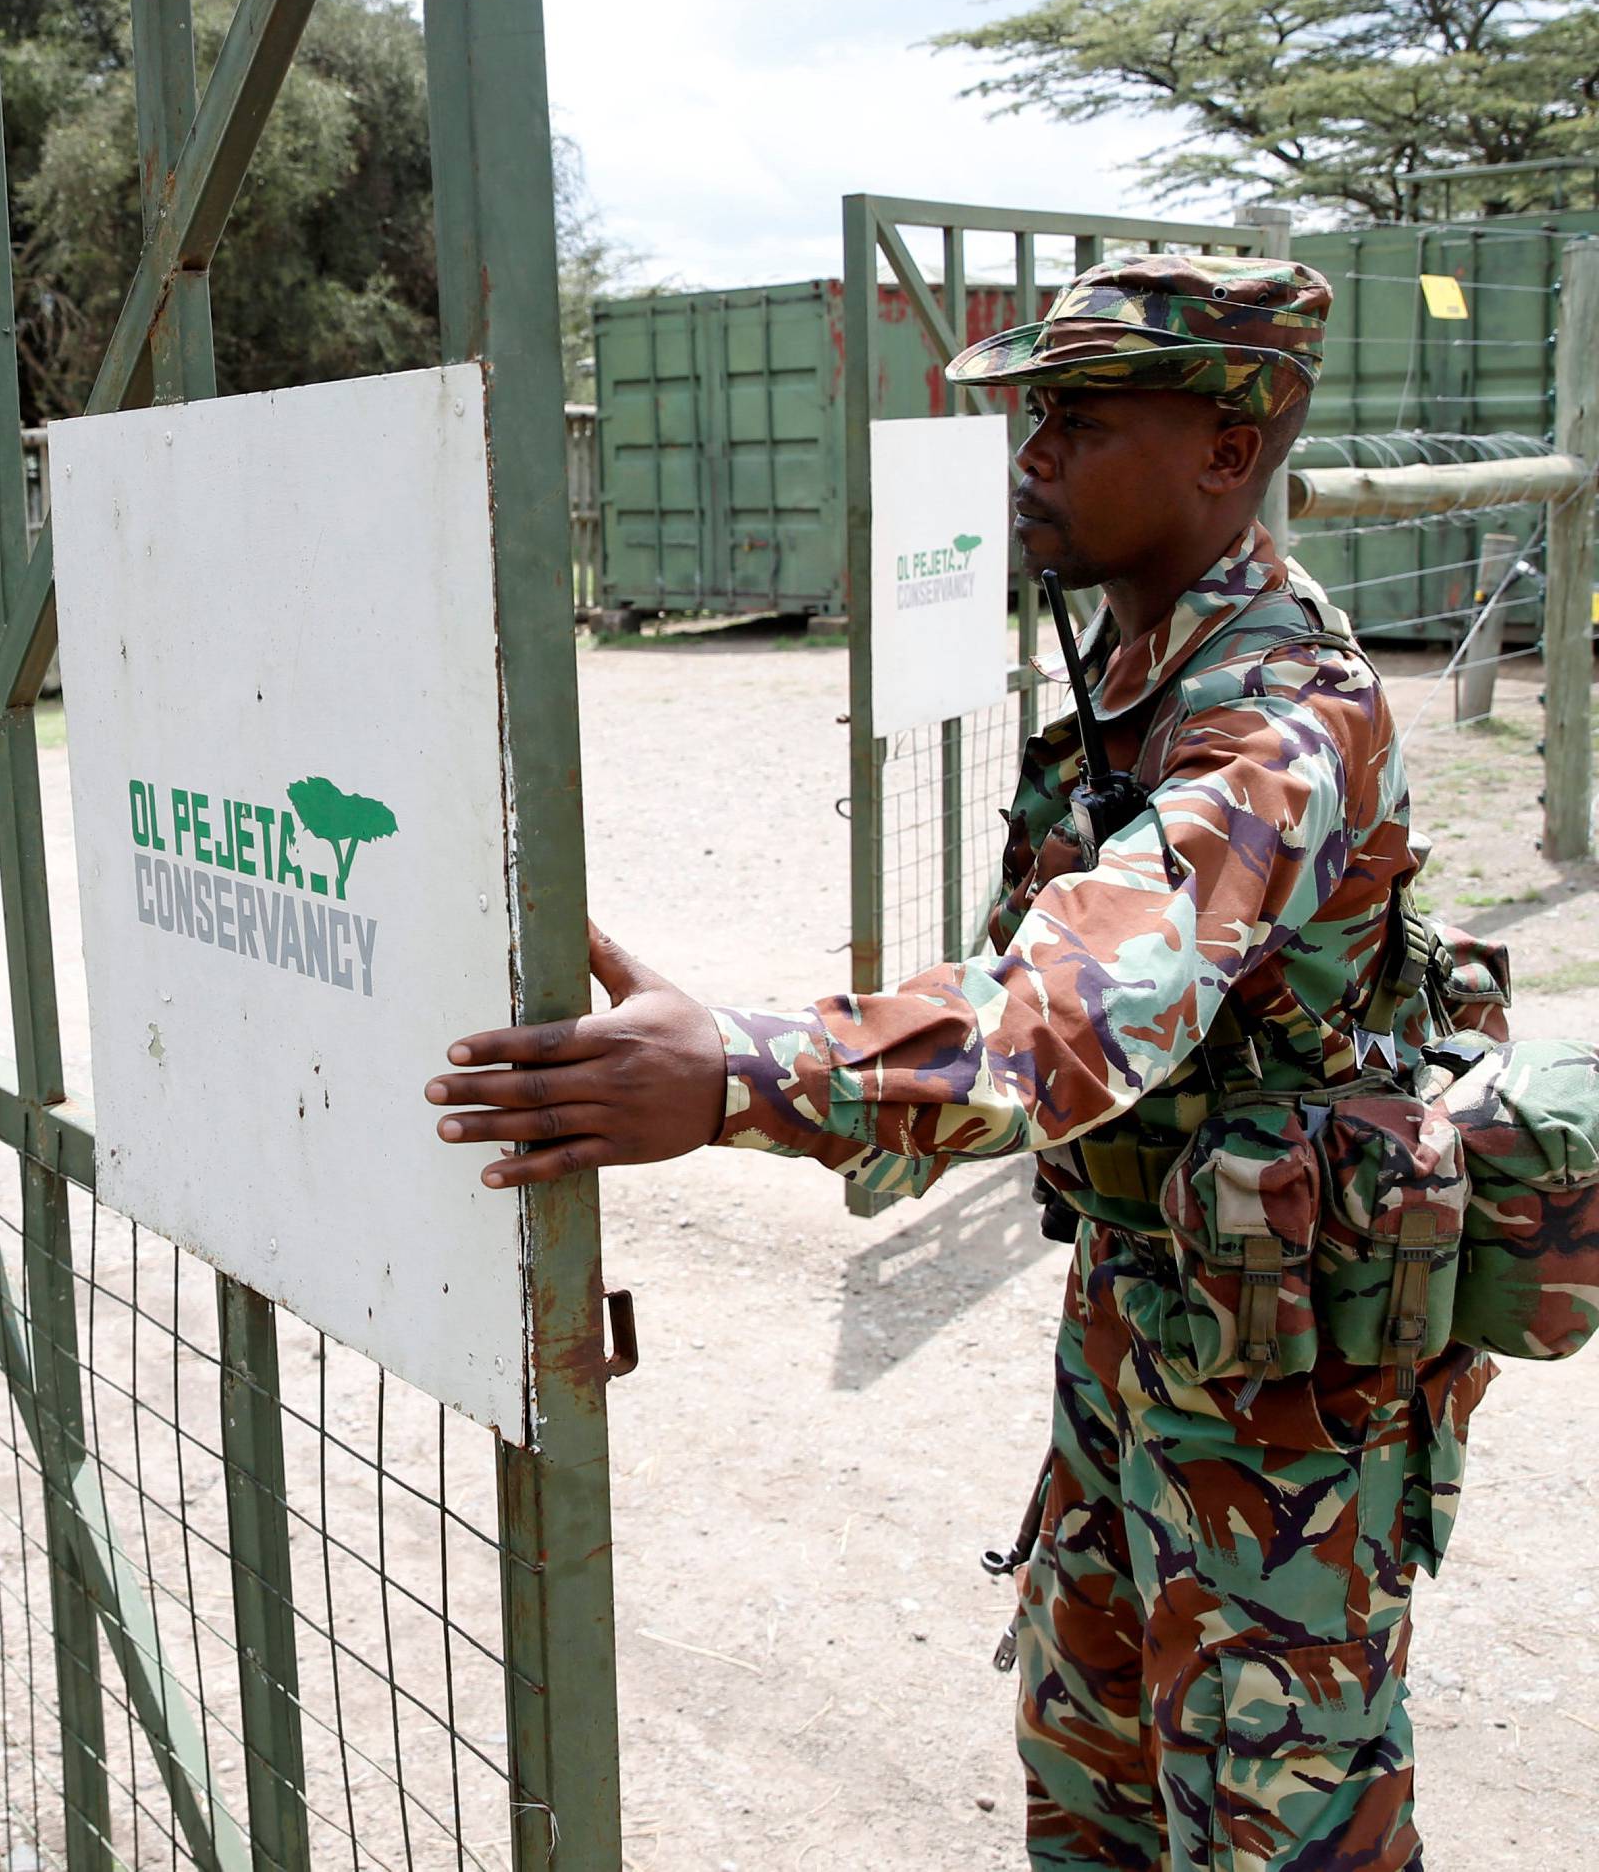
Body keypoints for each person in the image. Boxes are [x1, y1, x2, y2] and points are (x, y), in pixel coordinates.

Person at [422, 254, 1505, 1871]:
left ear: (1228, 447)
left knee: (1283, 1820)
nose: (1033, 451)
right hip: (1149, 1335)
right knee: (1093, 1785)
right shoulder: (1136, 674)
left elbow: (1070, 1009)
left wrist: (735, 1070)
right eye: (1031, 415)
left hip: (1288, 1413)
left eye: (1079, 415)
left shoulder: (1283, 719)